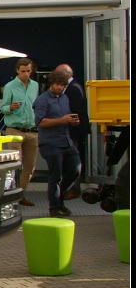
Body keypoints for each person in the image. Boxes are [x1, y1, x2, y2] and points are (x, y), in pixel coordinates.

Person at [34, 69, 82, 217]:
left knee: (76, 169)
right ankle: (55, 207)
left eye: (62, 85)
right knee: (56, 175)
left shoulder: (64, 98)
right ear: (51, 83)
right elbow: (40, 122)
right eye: (57, 84)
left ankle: (59, 198)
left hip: (66, 140)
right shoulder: (42, 99)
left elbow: (66, 118)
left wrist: (73, 122)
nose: (59, 87)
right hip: (50, 142)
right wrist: (62, 120)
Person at [1, 58, 39, 206]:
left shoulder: (34, 85)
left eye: (28, 71)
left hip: (32, 129)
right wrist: (11, 107)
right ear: (17, 70)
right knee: (15, 164)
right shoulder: (10, 86)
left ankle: (20, 193)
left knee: (30, 165)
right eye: (23, 71)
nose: (26, 74)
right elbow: (3, 108)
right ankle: (11, 195)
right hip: (15, 129)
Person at [55, 64, 89, 199]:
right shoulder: (69, 87)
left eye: (58, 74)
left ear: (66, 74)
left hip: (73, 130)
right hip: (69, 129)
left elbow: (75, 110)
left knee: (72, 160)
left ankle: (74, 188)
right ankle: (70, 187)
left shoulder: (74, 88)